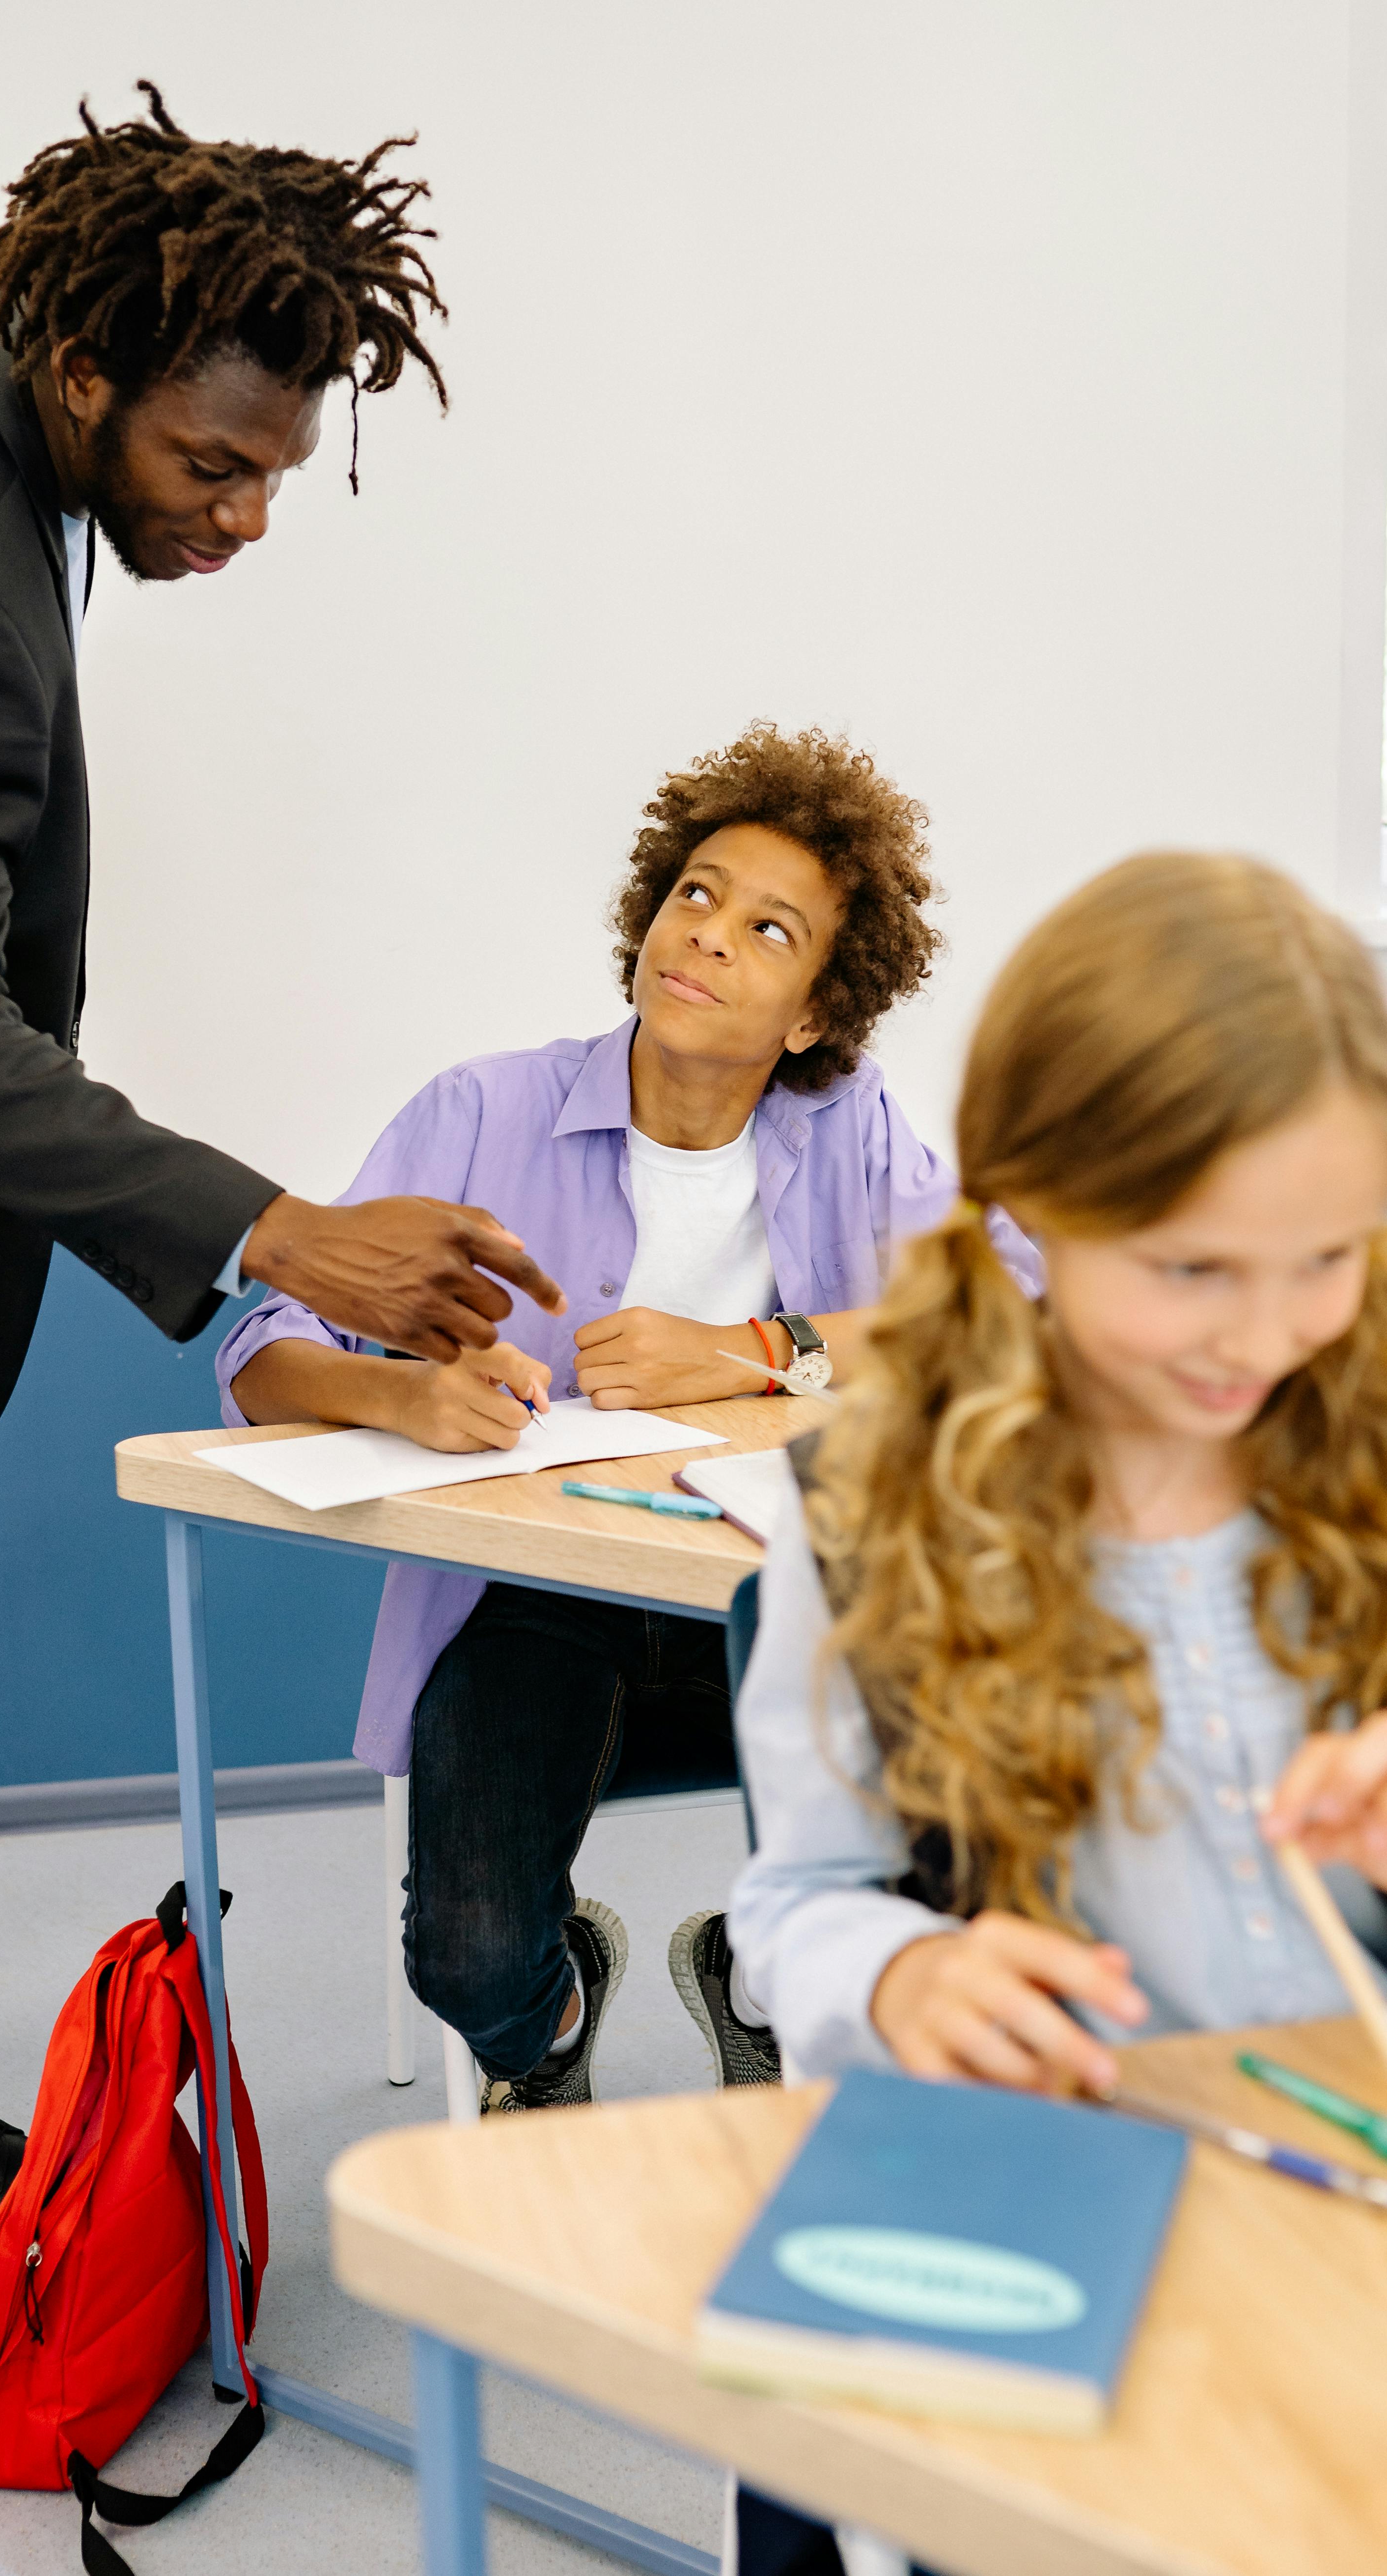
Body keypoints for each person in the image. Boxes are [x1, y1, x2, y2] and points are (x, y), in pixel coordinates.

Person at [0, 87, 562, 2253]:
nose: (237, 523)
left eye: (273, 472)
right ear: (78, 379)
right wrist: (282, 1233)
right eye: (205, 468)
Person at [725, 849, 1387, 2575]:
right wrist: (909, 1971)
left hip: (1372, 2200)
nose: (1268, 1332)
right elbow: (792, 1913)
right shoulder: (879, 1503)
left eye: (1326, 1259)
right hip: (1053, 2215)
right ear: (1035, 1207)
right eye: (1188, 1269)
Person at [218, 723, 1038, 2112]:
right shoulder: (483, 1110)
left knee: (957, 1848)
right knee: (470, 1963)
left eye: (768, 929)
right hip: (542, 1596)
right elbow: (265, 1342)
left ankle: (759, 1970)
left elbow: (1004, 1305)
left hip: (785, 1594)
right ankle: (558, 2013)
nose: (708, 935)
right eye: (698, 893)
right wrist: (405, 1390)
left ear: (815, 1015)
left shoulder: (854, 1128)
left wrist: (754, 1350)